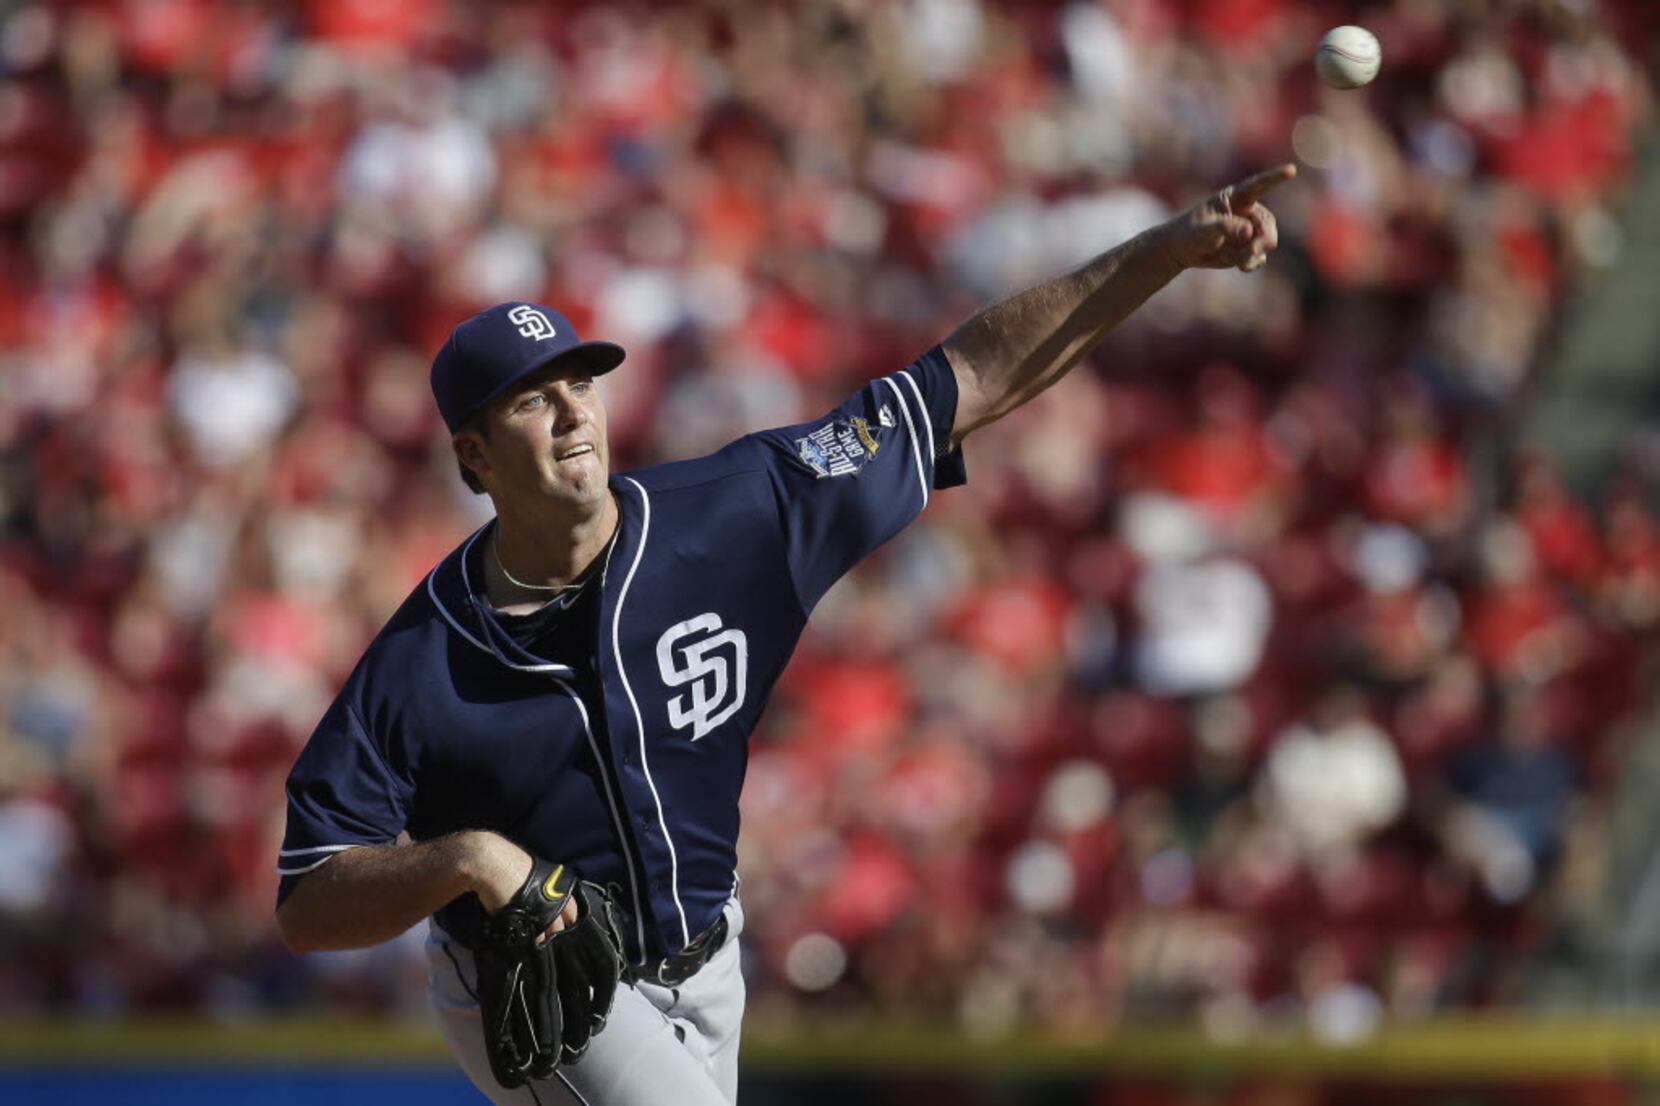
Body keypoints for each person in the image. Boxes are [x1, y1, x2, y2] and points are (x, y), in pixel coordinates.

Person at [273, 164, 1296, 1105]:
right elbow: (308, 895)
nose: (572, 415)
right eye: (532, 402)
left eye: (580, 383)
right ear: (474, 457)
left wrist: (1161, 252)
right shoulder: (423, 656)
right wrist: (467, 858)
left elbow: (965, 382)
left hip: (711, 958)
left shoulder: (736, 511)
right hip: (540, 974)